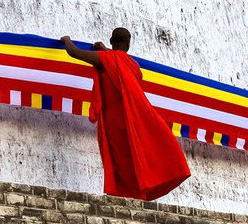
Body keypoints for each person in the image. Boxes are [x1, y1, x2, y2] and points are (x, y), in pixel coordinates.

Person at [58, 27, 189, 201]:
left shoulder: (106, 59)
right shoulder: (132, 65)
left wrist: (66, 39)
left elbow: (74, 52)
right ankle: (137, 195)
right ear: (128, 44)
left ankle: (130, 196)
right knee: (134, 158)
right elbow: (117, 64)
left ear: (112, 42)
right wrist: (105, 51)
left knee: (121, 163)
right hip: (132, 119)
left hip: (114, 122)